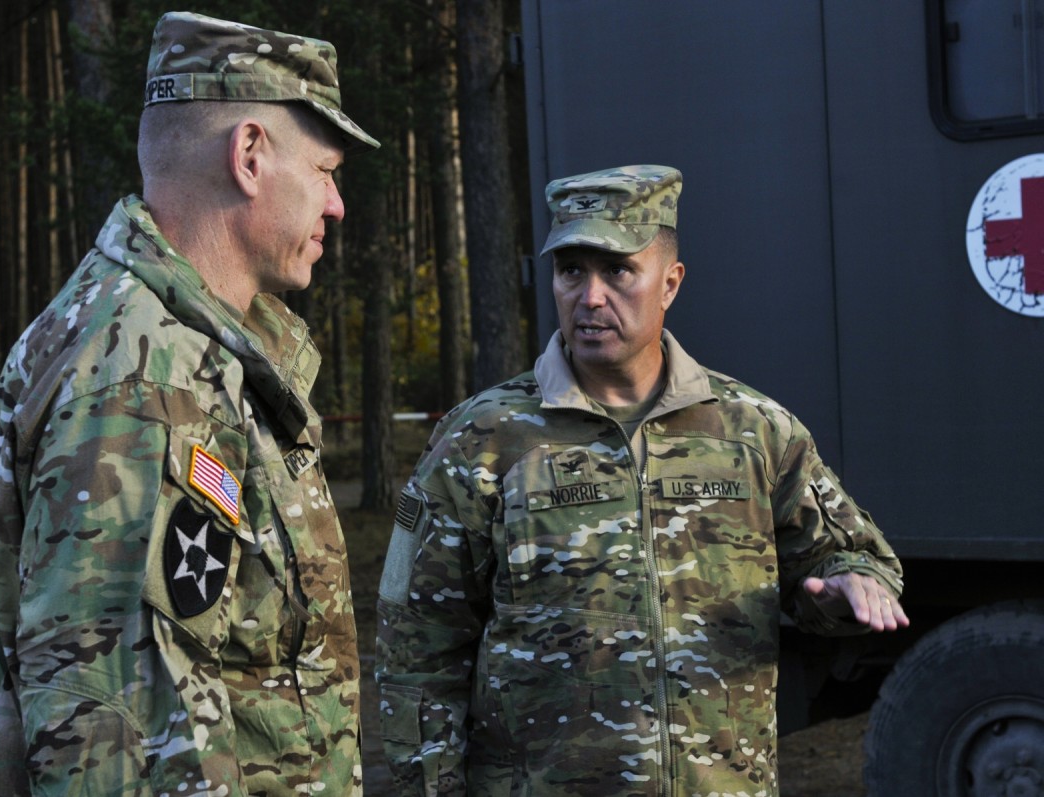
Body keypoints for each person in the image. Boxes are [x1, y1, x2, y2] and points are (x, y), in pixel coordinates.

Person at [374, 165, 909, 795]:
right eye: (571, 270)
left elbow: (854, 558)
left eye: (618, 271)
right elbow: (416, 651)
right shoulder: (482, 439)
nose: (590, 296)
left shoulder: (753, 430)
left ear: (670, 284)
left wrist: (845, 587)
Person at [0, 12, 378, 796]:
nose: (336, 205)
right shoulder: (143, 378)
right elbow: (119, 740)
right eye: (325, 171)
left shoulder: (192, 350)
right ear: (250, 156)